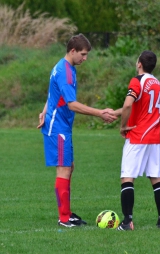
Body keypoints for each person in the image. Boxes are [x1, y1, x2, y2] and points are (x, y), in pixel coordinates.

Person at [37, 33, 117, 228]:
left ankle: (67, 213)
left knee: (68, 167)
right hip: (58, 128)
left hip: (61, 125)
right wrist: (100, 113)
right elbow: (72, 104)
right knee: (63, 169)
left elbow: (51, 94)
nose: (85, 58)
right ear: (72, 51)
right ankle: (64, 218)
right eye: (82, 54)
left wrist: (44, 111)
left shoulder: (66, 67)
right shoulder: (64, 72)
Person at [114, 50, 160, 231]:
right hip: (155, 137)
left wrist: (123, 126)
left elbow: (129, 103)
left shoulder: (137, 81)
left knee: (127, 177)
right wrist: (115, 112)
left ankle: (127, 221)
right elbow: (142, 107)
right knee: (156, 177)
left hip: (138, 136)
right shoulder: (157, 83)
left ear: (139, 64)